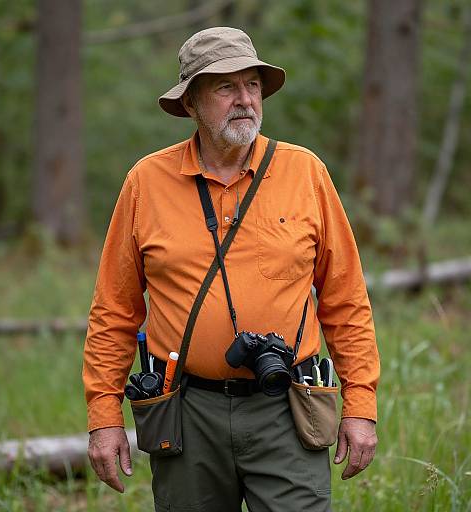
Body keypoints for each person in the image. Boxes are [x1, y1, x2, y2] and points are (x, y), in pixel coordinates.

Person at [83, 27, 380, 512]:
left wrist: (361, 405)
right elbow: (114, 312)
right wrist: (104, 417)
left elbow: (346, 300)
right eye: (226, 87)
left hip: (290, 405)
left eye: (253, 86)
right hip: (183, 410)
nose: (245, 100)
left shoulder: (305, 173)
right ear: (192, 104)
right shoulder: (145, 183)